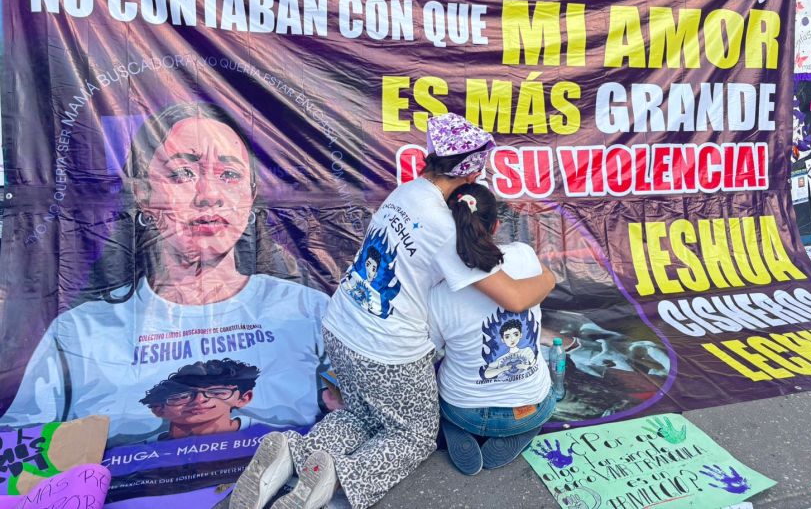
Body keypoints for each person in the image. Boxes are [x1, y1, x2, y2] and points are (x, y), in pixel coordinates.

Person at [229, 113, 556, 509]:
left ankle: (290, 454)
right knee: (413, 434)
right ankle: (339, 478)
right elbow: (515, 298)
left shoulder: (406, 193)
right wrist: (549, 278)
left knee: (369, 415)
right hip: (385, 351)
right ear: (470, 178)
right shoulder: (447, 230)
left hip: (341, 325)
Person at [0, 102, 331, 445]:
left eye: (229, 175)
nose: (209, 196)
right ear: (143, 195)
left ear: (250, 196)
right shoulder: (79, 334)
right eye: (183, 174)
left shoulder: (308, 312)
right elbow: (16, 458)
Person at [428, 183, 554, 475]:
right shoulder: (524, 255)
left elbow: (431, 352)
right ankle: (520, 430)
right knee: (548, 392)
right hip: (526, 408)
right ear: (496, 225)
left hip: (464, 409)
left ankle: (455, 428)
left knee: (446, 383)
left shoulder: (437, 290)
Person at [140, 359, 259, 440]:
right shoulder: (138, 453)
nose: (199, 399)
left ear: (243, 399)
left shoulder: (270, 435)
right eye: (182, 396)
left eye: (217, 392)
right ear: (158, 408)